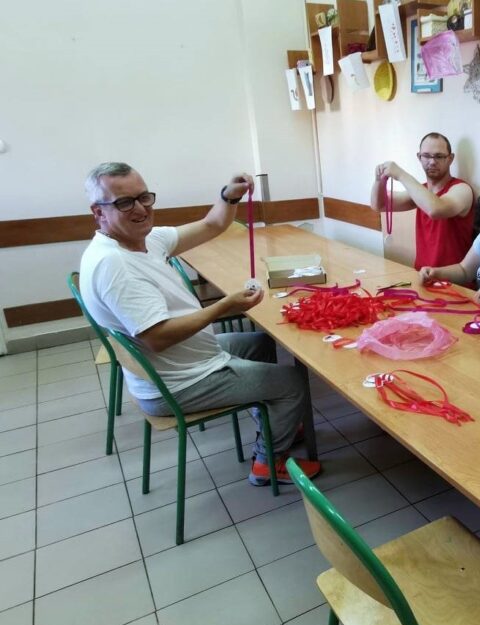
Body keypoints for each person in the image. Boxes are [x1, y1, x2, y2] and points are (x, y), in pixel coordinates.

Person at [78, 161, 321, 486]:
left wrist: (229, 196)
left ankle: (274, 419)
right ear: (99, 212)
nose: (140, 209)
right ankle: (267, 461)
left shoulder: (145, 240)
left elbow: (212, 224)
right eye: (124, 202)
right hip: (177, 382)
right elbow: (157, 338)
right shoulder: (115, 265)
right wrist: (224, 306)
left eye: (144, 197)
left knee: (262, 343)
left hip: (184, 361)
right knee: (292, 382)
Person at [370, 132, 475, 270]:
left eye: (439, 156)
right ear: (419, 157)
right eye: (426, 156)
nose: (432, 162)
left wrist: (400, 174)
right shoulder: (421, 192)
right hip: (422, 276)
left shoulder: (462, 189)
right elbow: (380, 205)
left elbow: (435, 209)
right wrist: (379, 180)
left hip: (453, 280)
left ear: (450, 159)